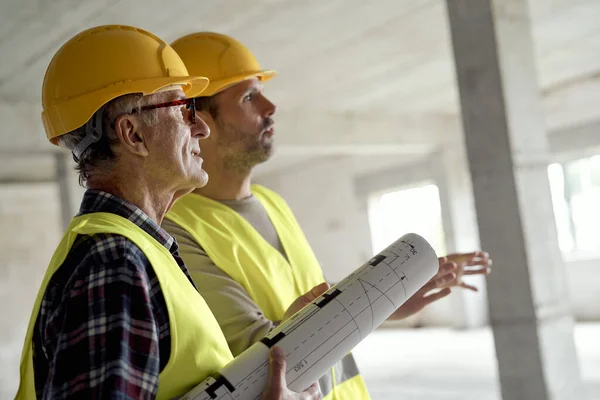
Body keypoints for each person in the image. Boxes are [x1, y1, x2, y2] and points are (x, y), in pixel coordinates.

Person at [163, 32, 492, 399]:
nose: (270, 107)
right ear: (196, 117)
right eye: (249, 97)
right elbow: (258, 354)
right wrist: (369, 301)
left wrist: (386, 297)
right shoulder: (177, 226)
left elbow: (320, 307)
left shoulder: (273, 202)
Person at [16, 25, 322, 400]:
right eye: (183, 109)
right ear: (133, 135)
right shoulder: (115, 262)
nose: (200, 128)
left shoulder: (139, 252)